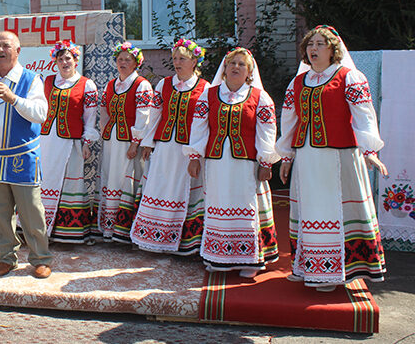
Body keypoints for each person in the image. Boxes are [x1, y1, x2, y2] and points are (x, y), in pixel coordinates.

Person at [278, 25, 387, 291]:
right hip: (307, 158)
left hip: (338, 158)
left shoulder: (349, 77)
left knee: (332, 209)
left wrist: (370, 150)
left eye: (320, 44)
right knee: (310, 209)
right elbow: (290, 120)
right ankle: (308, 266)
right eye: (310, 44)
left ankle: (333, 272)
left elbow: (364, 115)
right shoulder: (298, 82)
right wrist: (286, 157)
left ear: (333, 50)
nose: (313, 49)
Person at [0, 31, 53, 278]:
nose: (0, 50)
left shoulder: (31, 79)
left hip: (21, 157)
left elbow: (40, 113)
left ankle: (40, 259)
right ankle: (6, 258)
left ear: (18, 51)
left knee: (31, 212)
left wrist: (13, 98)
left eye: (6, 45)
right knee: (1, 214)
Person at [186, 47, 279, 277]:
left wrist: (266, 161)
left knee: (246, 205)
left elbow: (267, 131)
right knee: (218, 203)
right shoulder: (209, 95)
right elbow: (199, 128)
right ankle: (218, 255)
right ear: (224, 69)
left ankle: (249, 260)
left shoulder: (259, 97)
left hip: (246, 165)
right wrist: (195, 156)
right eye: (232, 63)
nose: (236, 67)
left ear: (249, 72)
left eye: (241, 64)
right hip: (216, 163)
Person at [130, 38, 208, 254]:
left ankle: (186, 242)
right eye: (174, 58)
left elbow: (205, 124)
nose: (177, 62)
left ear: (194, 61)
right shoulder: (164, 84)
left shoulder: (205, 88)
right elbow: (155, 115)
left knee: (184, 188)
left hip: (188, 149)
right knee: (161, 185)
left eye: (182, 58)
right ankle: (156, 237)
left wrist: (197, 153)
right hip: (165, 146)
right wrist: (148, 142)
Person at [39, 40, 99, 244]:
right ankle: (39, 229)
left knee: (69, 183)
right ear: (55, 61)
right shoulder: (47, 82)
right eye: (60, 59)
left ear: (75, 60)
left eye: (68, 58)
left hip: (71, 143)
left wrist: (87, 143)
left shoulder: (86, 85)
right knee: (45, 181)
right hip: (47, 142)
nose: (64, 62)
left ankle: (67, 232)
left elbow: (90, 118)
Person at [96, 42, 152, 243]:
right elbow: (104, 110)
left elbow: (144, 115)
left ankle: (126, 230)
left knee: (127, 178)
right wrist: (104, 131)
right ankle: (109, 228)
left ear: (136, 63)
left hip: (129, 142)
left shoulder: (141, 85)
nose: (123, 63)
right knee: (110, 177)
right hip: (111, 141)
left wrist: (135, 143)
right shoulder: (111, 84)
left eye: (128, 60)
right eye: (120, 59)